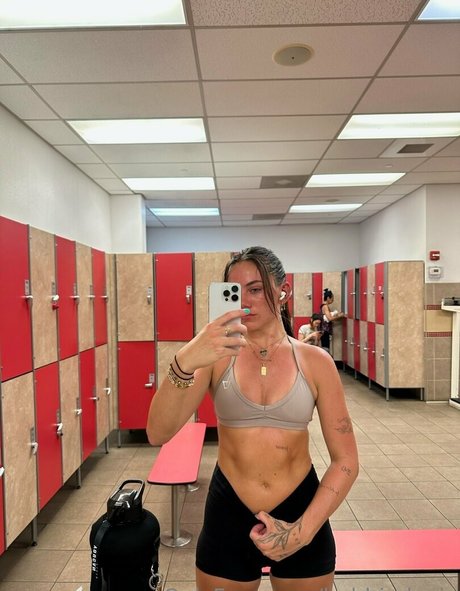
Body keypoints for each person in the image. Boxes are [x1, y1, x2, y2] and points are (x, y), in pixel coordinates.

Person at [147, 246, 358, 591]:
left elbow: (346, 460)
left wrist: (301, 533)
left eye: (256, 289)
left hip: (300, 510)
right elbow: (158, 432)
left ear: (283, 291)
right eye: (235, 291)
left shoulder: (315, 362)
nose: (245, 301)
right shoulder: (215, 358)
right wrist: (185, 359)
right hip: (228, 511)